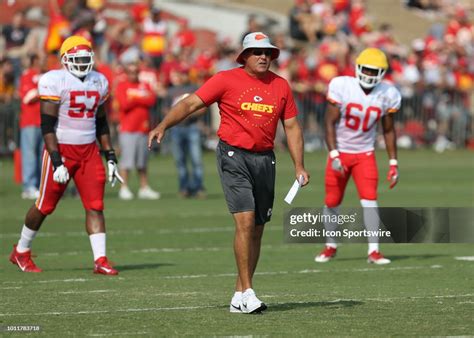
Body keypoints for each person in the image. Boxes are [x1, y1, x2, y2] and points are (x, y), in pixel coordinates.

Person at [148, 32, 310, 314]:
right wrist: (163, 125)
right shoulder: (225, 79)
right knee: (245, 222)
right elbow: (190, 104)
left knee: (258, 229)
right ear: (244, 56)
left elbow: (293, 127)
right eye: (257, 52)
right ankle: (248, 292)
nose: (263, 57)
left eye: (268, 52)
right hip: (234, 155)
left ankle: (239, 294)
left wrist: (299, 165)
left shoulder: (281, 85)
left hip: (265, 160)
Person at [9, 36, 123, 275]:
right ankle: (21, 250)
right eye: (77, 59)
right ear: (64, 60)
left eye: (85, 59)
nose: (82, 63)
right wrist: (57, 161)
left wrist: (110, 156)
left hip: (89, 150)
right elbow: (47, 126)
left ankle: (100, 259)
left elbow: (102, 123)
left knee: (95, 205)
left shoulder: (99, 80)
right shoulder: (54, 80)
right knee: (45, 205)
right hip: (61, 148)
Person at [314, 48, 401, 265]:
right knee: (332, 201)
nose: (370, 75)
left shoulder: (389, 93)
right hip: (341, 152)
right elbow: (329, 122)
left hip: (365, 154)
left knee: (370, 200)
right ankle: (330, 245)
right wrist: (334, 154)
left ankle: (374, 251)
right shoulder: (342, 85)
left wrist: (393, 163)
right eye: (367, 70)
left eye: (375, 71)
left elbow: (389, 130)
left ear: (382, 73)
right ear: (358, 68)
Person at [115, 58, 160, 200]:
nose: (133, 74)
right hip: (128, 128)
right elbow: (124, 104)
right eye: (130, 72)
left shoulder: (144, 85)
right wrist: (140, 99)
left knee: (142, 161)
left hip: (143, 128)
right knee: (126, 161)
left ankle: (144, 187)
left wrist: (134, 98)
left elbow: (152, 100)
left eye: (135, 72)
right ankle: (124, 187)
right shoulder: (122, 86)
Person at [165, 68, 205, 198]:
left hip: (192, 127)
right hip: (176, 128)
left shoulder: (194, 88)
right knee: (180, 160)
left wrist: (187, 115)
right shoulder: (171, 91)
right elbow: (166, 110)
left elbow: (203, 107)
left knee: (196, 159)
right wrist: (177, 117)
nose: (179, 77)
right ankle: (184, 187)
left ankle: (198, 187)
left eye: (182, 74)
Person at [18, 54, 44, 199]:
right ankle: (29, 186)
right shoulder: (27, 76)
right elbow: (27, 97)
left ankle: (41, 185)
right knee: (29, 155)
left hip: (43, 121)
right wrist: (42, 91)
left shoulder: (45, 76)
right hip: (29, 121)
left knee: (42, 155)